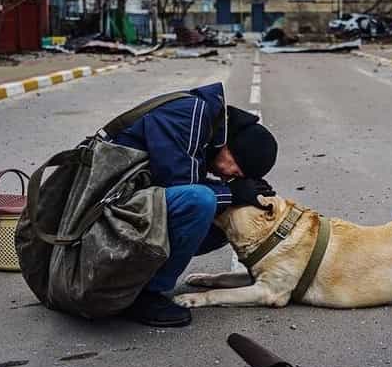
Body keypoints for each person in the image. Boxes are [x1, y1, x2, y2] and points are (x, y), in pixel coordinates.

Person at [112, 82, 278, 327]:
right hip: (104, 212)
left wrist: (238, 195)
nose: (228, 175)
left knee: (225, 213)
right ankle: (144, 295)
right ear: (231, 145)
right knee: (202, 201)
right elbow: (180, 187)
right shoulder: (191, 114)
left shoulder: (205, 126)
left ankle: (138, 277)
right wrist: (232, 193)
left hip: (127, 207)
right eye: (236, 168)